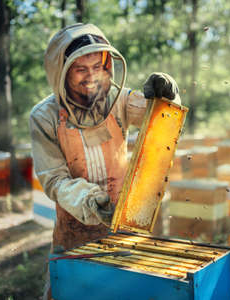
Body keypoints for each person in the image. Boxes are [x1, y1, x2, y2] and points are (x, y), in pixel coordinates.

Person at [29, 23, 180, 299]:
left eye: (97, 67)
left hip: (125, 224)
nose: (92, 77)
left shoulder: (119, 99)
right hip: (73, 231)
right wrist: (88, 200)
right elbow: (53, 179)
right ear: (61, 72)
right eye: (81, 69)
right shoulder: (44, 117)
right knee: (70, 292)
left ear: (107, 65)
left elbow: (161, 116)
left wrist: (167, 93)